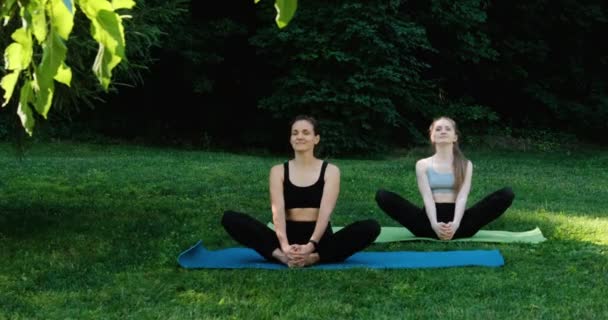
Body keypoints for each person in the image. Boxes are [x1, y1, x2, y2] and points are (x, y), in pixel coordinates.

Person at [222, 115, 380, 267]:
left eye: (306, 132)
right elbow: (277, 212)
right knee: (230, 218)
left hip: (320, 239)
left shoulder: (331, 171)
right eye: (295, 133)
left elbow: (325, 214)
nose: (299, 137)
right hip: (287, 236)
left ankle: (314, 258)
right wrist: (284, 246)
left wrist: (311, 246)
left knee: (371, 227)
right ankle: (283, 258)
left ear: (316, 139)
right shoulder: (278, 171)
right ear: (291, 139)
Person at [375, 116, 514, 240]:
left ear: (455, 137)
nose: (443, 131)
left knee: (506, 194)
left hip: (461, 224)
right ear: (432, 137)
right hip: (427, 224)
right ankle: (437, 230)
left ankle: (451, 230)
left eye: (448, 129)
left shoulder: (466, 164)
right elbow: (427, 198)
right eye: (438, 129)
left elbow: (462, 197)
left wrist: (455, 224)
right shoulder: (422, 165)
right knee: (383, 196)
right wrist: (435, 224)